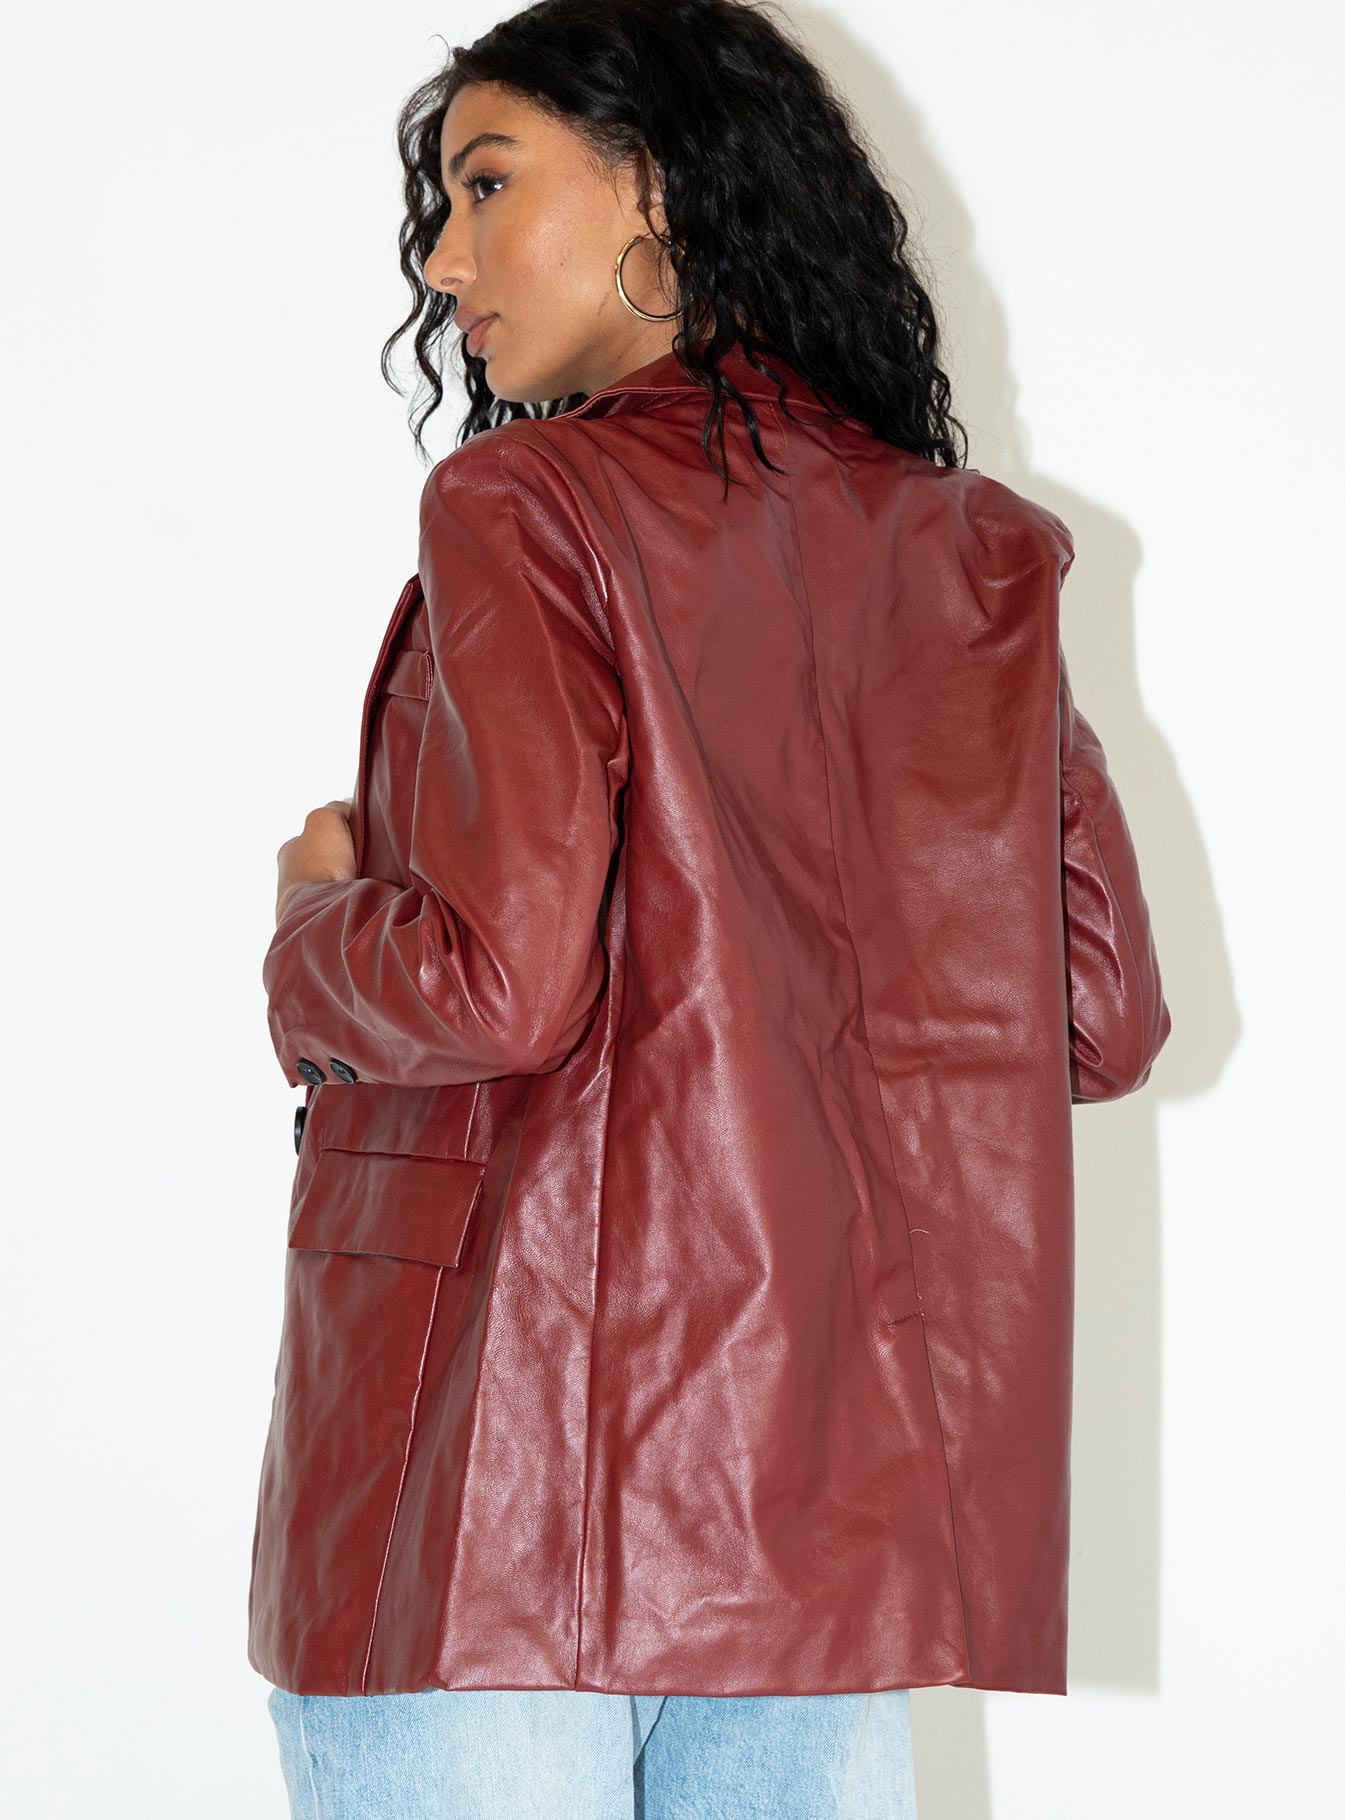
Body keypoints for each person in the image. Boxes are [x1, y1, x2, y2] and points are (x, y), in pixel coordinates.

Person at [249, 1, 1172, 1814]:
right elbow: (1096, 1015)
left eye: (486, 184)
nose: (442, 260)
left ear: (659, 188)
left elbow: (496, 986)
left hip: (499, 1484)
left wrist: (312, 929)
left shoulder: (529, 500)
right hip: (830, 1506)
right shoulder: (969, 546)